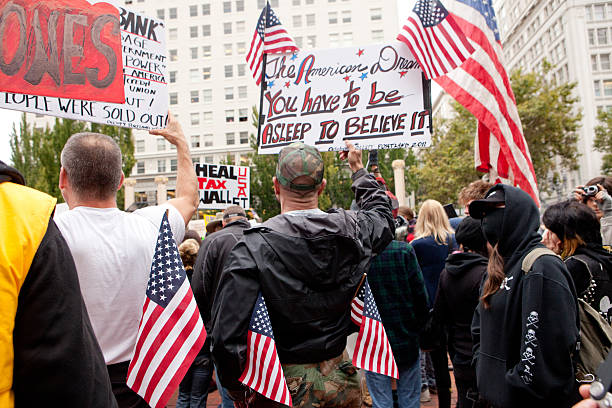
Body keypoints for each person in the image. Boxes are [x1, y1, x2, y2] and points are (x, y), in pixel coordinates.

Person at [211, 141, 394, 408]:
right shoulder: (353, 230)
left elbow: (226, 336)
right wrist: (358, 169)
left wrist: (236, 390)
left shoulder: (251, 247)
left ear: (275, 186)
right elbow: (383, 217)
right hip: (341, 377)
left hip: (280, 383)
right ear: (322, 186)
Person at [54, 113, 199, 407]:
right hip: (137, 381)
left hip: (72, 380)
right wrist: (181, 144)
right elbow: (189, 199)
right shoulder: (151, 226)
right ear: (121, 180)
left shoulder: (47, 228)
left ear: (63, 178)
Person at [0, 161, 117, 407]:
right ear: (120, 181)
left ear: (63, 177)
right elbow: (60, 373)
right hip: (126, 373)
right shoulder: (28, 219)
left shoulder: (36, 220)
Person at [469, 184, 580, 407]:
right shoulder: (494, 271)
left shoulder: (542, 268)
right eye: (482, 214)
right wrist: (483, 373)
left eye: (494, 210)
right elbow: (478, 330)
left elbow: (548, 355)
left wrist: (508, 388)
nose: (486, 220)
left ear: (518, 214)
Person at [190, 205, 252, 408]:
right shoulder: (262, 236)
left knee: (230, 394)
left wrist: (209, 322)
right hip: (259, 330)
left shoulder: (213, 241)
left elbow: (199, 289)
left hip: (224, 331)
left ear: (224, 222)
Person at [365, 227, 429, 408]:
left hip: (373, 338)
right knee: (409, 397)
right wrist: (421, 328)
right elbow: (420, 297)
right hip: (405, 333)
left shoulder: (360, 256)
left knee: (381, 401)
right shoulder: (403, 251)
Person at [433, 217, 488, 408]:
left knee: (465, 399)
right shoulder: (487, 274)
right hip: (483, 356)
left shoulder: (447, 273)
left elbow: (440, 315)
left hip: (459, 354)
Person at [411, 199, 457, 408]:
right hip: (454, 305)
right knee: (458, 357)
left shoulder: (416, 245)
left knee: (438, 363)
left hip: (430, 308)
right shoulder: (453, 240)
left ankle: (444, 403)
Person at [542, 200, 612, 322]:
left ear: (565, 236)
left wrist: (548, 256)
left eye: (550, 232)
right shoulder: (604, 257)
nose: (545, 238)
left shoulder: (575, 265)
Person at [574, 176, 612, 245]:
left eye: (602, 200)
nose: (595, 204)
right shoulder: (580, 226)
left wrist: (609, 213)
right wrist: (570, 206)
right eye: (591, 200)